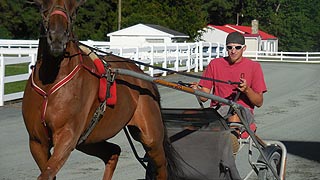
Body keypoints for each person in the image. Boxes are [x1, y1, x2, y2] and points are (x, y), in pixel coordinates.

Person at [191, 31, 267, 153]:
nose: (233, 51)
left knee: (234, 111)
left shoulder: (254, 67)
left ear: (244, 48)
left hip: (241, 113)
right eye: (229, 47)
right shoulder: (215, 64)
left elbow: (259, 102)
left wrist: (247, 90)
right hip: (217, 111)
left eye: (237, 47)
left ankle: (232, 144)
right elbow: (204, 97)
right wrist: (196, 90)